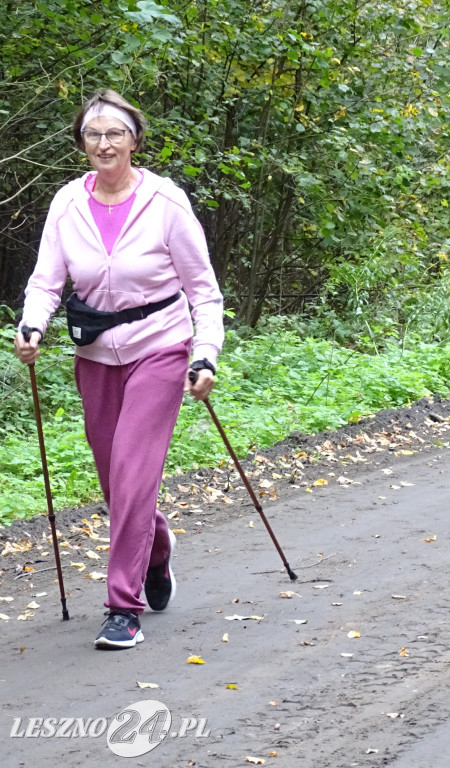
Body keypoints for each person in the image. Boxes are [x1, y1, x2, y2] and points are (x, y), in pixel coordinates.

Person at [12, 90, 224, 650]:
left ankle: (121, 606)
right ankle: (155, 550)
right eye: (93, 134)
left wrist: (206, 353)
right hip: (96, 353)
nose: (104, 143)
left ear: (134, 139)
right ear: (82, 142)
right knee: (117, 482)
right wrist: (33, 324)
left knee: (133, 473)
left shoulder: (165, 202)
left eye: (115, 133)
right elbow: (46, 280)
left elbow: (204, 290)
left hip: (161, 345)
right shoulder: (67, 203)